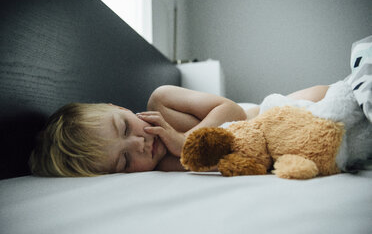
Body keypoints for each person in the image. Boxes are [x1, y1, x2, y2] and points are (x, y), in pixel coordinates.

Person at [29, 85, 329, 177]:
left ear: (119, 107)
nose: (139, 144)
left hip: (267, 113)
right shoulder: (162, 166)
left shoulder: (163, 101)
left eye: (124, 127)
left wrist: (184, 140)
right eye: (124, 161)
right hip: (272, 147)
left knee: (330, 99)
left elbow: (233, 111)